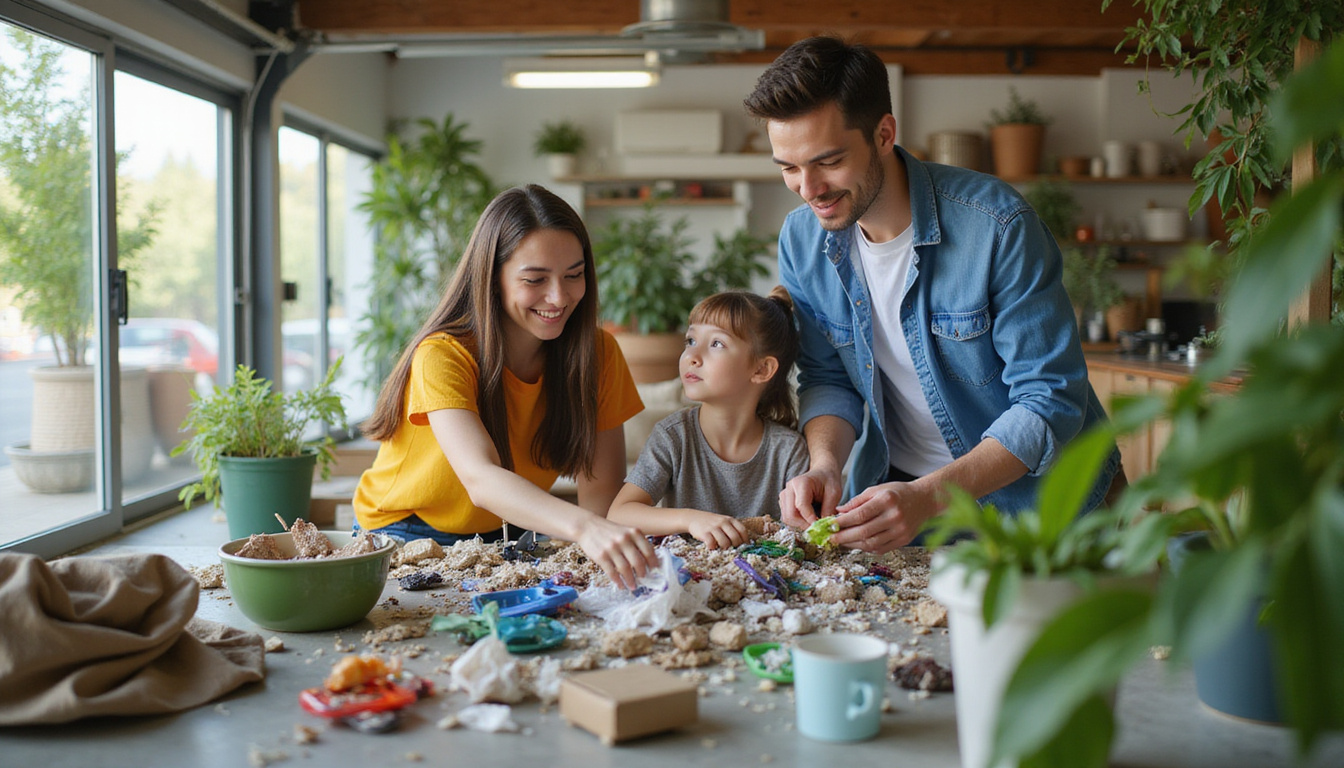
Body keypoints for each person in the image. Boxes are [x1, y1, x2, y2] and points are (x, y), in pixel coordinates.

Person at [743, 36, 1122, 553]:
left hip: (1041, 507)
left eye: (828, 161)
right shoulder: (802, 239)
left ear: (884, 133)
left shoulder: (997, 225)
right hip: (904, 501)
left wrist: (927, 496)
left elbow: (1049, 400)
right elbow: (829, 377)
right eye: (788, 167)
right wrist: (827, 466)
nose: (808, 189)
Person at [352, 184, 657, 589]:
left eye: (574, 275)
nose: (559, 296)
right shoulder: (443, 354)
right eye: (535, 279)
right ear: (491, 278)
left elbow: (599, 503)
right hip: (405, 532)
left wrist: (600, 539)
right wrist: (583, 529)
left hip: (508, 532)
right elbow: (480, 478)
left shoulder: (598, 354)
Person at [608, 288, 809, 549]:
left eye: (716, 344)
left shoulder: (790, 450)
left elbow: (805, 533)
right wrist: (691, 520)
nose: (691, 357)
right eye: (690, 341)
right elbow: (619, 514)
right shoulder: (672, 436)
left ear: (761, 369)